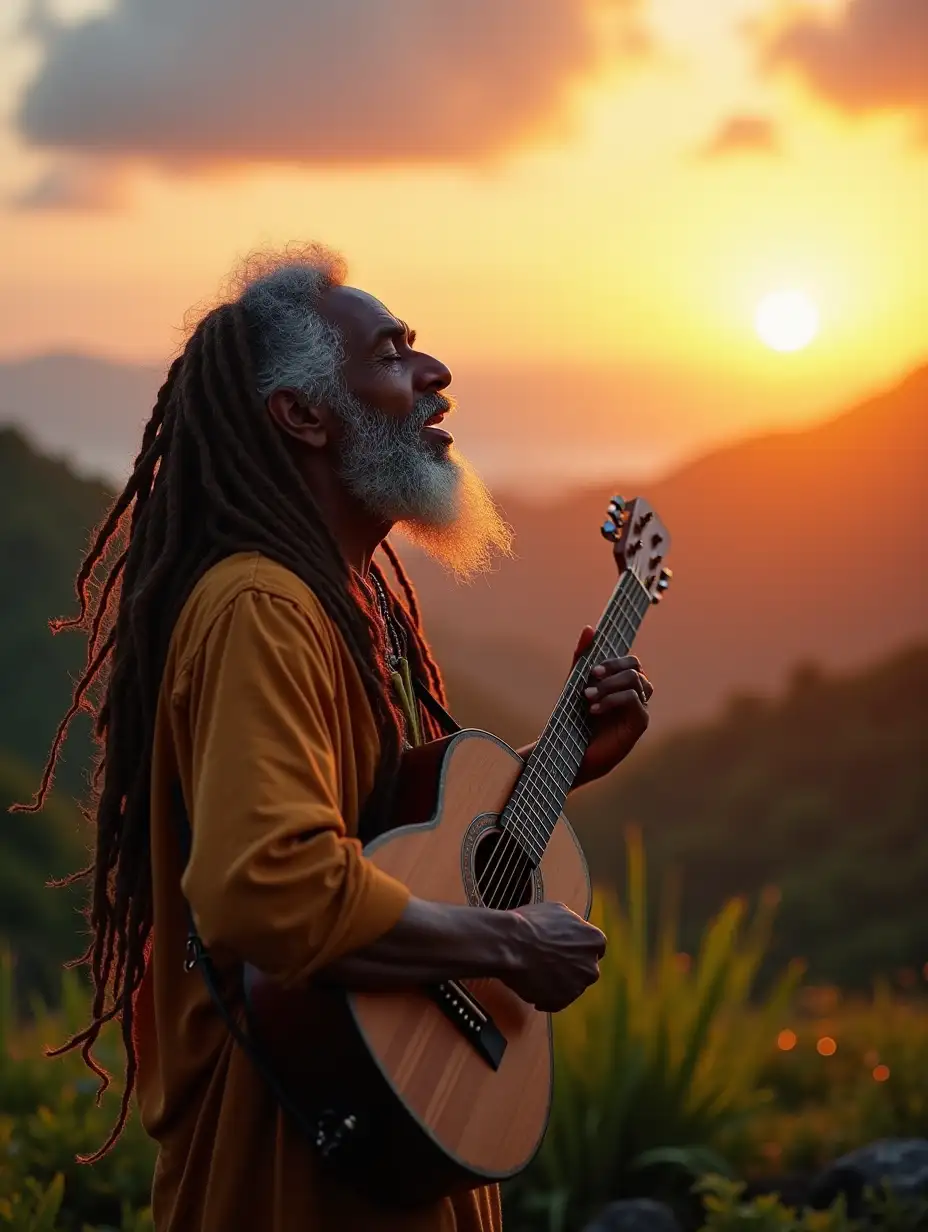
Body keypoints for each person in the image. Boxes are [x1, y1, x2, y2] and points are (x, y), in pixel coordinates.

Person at [24, 244, 654, 1231]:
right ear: (304, 413)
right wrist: (510, 939)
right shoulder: (261, 608)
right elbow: (269, 881)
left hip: (381, 1138)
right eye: (392, 352)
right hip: (289, 1172)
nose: (434, 372)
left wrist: (557, 764)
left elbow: (380, 843)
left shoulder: (342, 610)